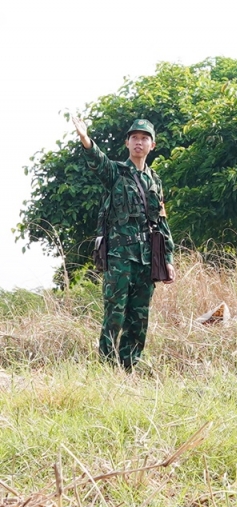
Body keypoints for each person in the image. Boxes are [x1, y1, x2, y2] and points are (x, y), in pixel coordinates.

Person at [72, 116, 175, 370]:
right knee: (115, 315)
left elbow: (161, 222)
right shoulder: (116, 173)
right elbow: (98, 163)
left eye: (144, 138)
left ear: (152, 145)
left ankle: (130, 368)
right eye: (135, 138)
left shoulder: (155, 181)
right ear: (127, 143)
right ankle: (105, 368)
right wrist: (86, 140)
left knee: (139, 318)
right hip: (120, 257)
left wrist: (168, 259)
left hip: (146, 259)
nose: (139, 142)